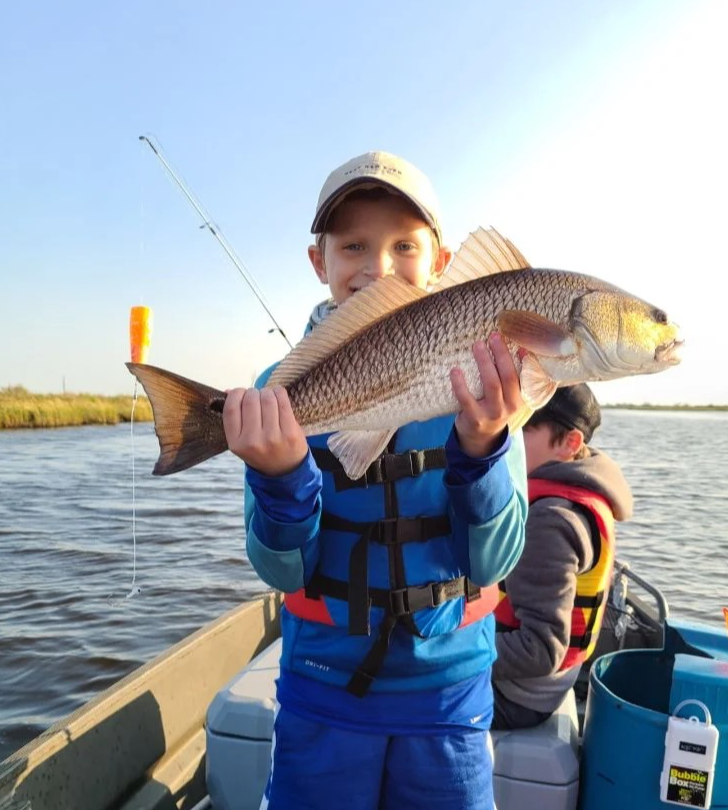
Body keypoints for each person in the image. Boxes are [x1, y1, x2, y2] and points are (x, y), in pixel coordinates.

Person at [222, 151, 528, 810]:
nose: (377, 266)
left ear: (443, 261)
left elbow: (496, 559)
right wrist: (281, 478)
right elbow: (281, 571)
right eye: (354, 244)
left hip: (450, 694)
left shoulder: (493, 380)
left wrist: (482, 449)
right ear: (319, 261)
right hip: (321, 685)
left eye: (405, 245)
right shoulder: (279, 390)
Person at [491, 383, 633, 729]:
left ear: (570, 443)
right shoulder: (580, 490)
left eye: (523, 427)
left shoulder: (550, 519)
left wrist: (452, 651)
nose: (503, 436)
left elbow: (540, 649)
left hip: (513, 697)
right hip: (547, 687)